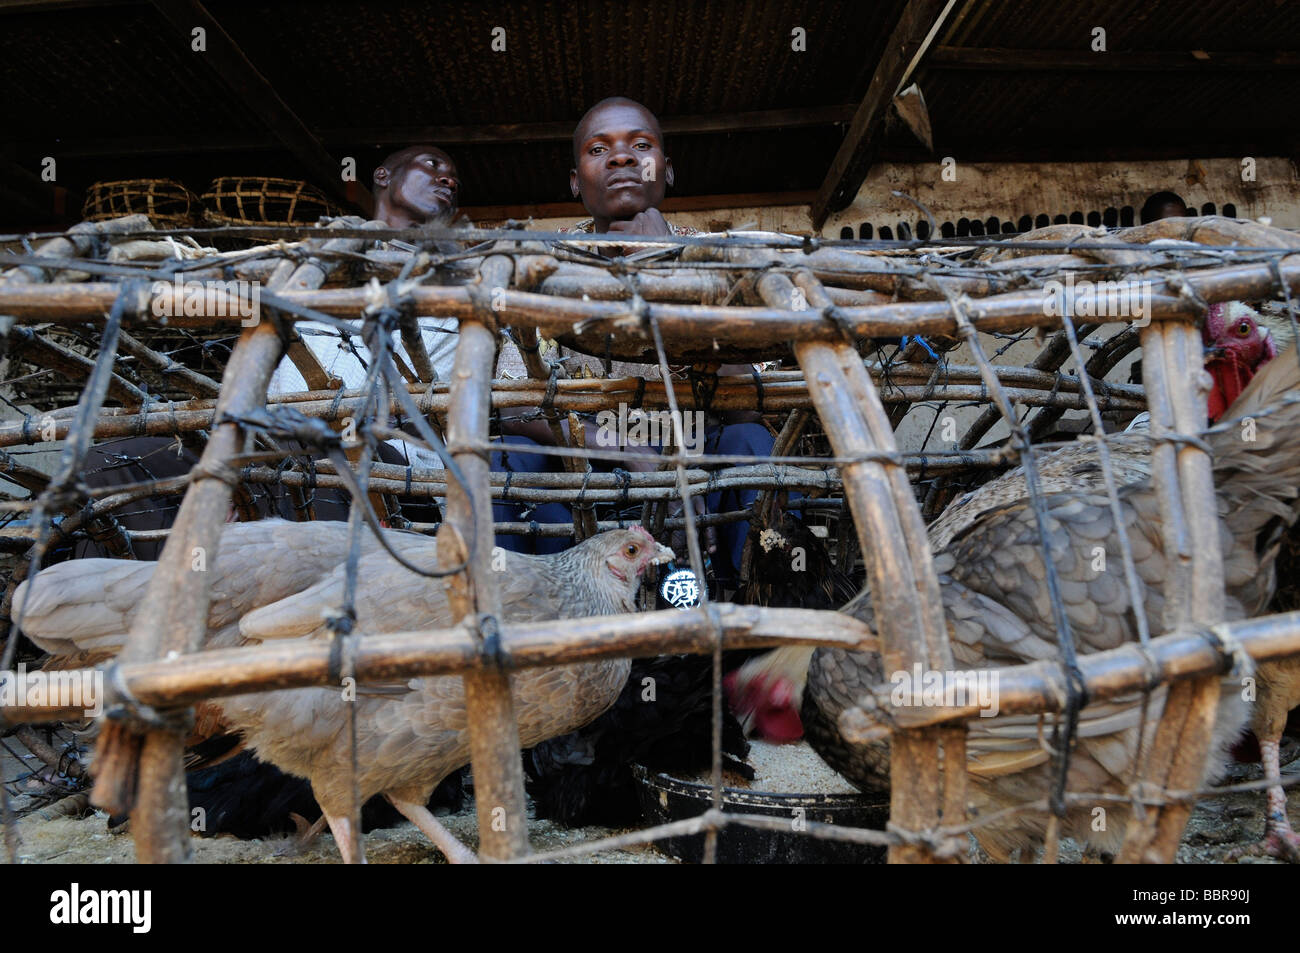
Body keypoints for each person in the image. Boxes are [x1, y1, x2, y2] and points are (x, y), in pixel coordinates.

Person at [496, 98, 779, 583]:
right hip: (583, 461)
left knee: (750, 442)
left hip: (698, 457)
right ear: (574, 180)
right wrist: (624, 447)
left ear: (666, 171)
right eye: (599, 148)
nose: (622, 157)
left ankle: (746, 597)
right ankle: (548, 603)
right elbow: (513, 406)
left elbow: (746, 409)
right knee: (503, 454)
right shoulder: (546, 261)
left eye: (641, 146)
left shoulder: (715, 255)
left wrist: (675, 263)